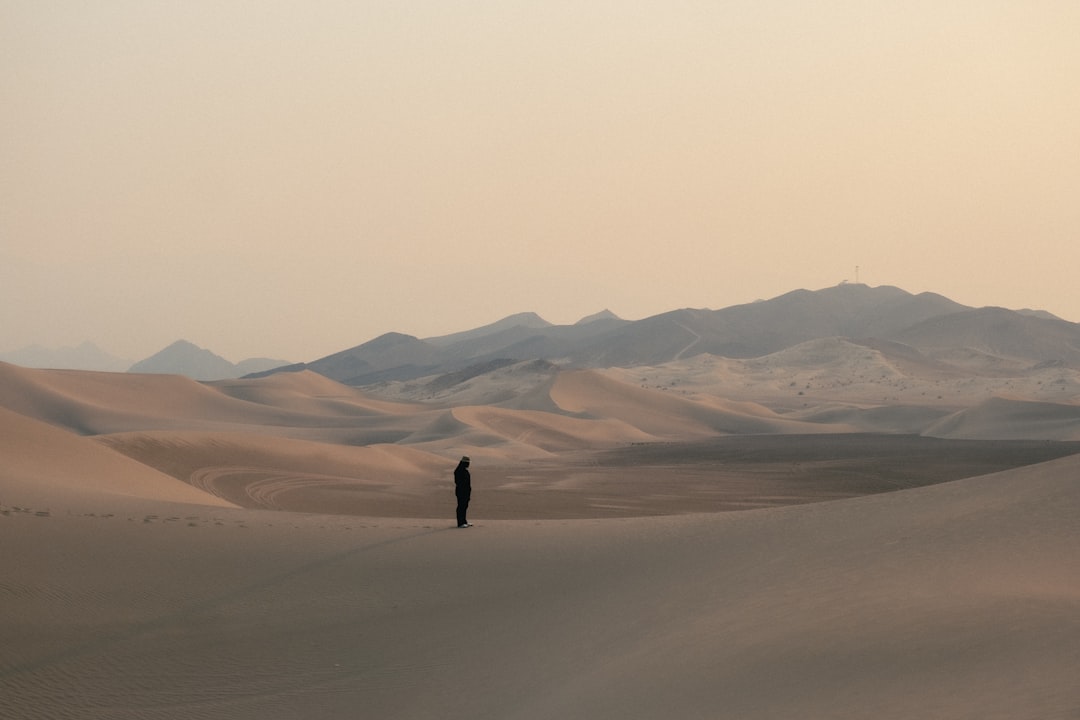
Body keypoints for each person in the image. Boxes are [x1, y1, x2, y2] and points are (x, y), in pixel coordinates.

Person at [454, 455, 472, 528]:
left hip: (466, 491)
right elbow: (459, 482)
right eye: (467, 463)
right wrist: (464, 490)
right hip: (461, 491)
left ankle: (464, 521)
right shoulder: (459, 471)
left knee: (464, 506)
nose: (468, 464)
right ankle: (460, 522)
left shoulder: (464, 470)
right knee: (461, 506)